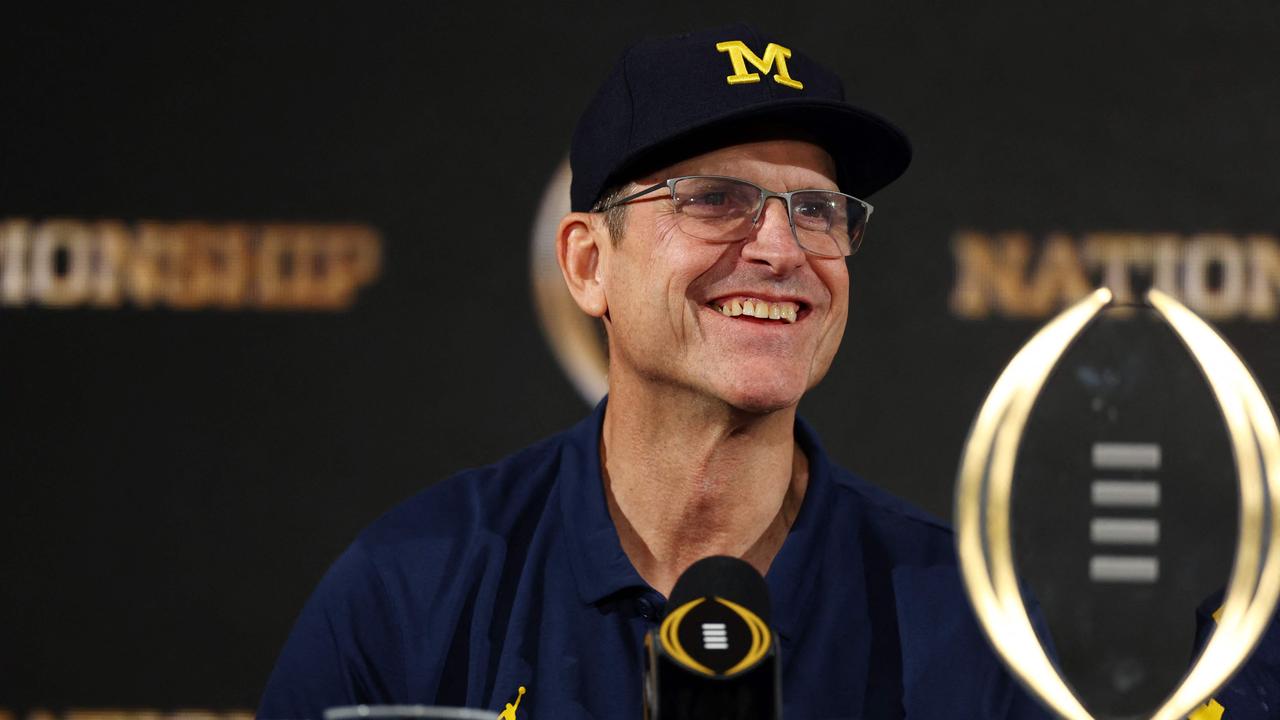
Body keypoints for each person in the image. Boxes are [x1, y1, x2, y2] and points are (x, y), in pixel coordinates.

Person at [258, 22, 1054, 719]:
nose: (781, 249)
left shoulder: (971, 620)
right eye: (712, 199)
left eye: (816, 210)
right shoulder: (411, 587)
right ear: (586, 263)